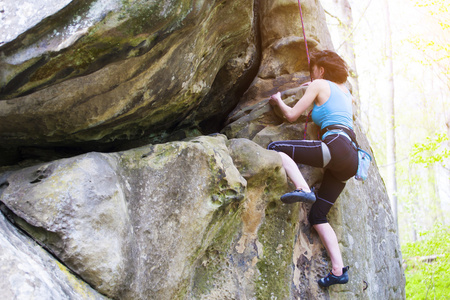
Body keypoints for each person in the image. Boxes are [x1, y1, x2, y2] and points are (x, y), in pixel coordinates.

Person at [267, 50, 358, 287]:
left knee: (276, 147)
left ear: (321, 70)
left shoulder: (318, 84)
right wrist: (314, 88)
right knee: (318, 215)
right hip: (351, 159)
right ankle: (338, 271)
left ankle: (302, 187)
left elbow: (292, 115)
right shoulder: (345, 92)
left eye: (313, 68)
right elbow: (331, 106)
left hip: (335, 147)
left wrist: (278, 100)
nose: (312, 72)